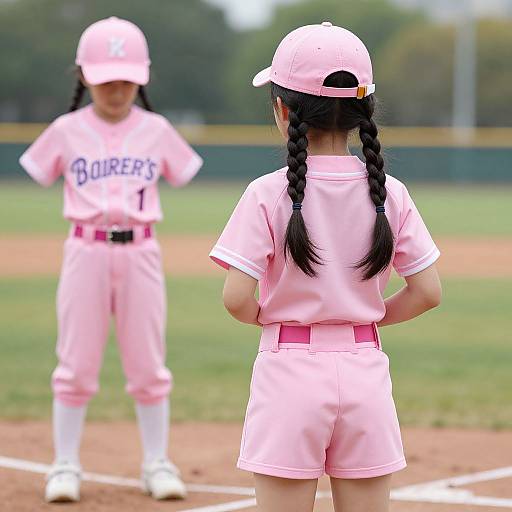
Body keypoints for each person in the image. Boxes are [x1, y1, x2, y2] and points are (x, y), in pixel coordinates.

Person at [209, 22, 442, 512]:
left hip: (288, 370)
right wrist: (370, 318)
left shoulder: (266, 192)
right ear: (363, 111)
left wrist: (264, 317)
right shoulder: (389, 192)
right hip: (364, 371)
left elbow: (235, 298)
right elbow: (427, 291)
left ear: (282, 108)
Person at [19, 16, 203, 503]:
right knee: (75, 364)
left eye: (124, 78)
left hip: (142, 250)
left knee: (148, 365)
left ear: (141, 78)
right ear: (83, 76)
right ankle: (64, 464)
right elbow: (36, 170)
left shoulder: (158, 130)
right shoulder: (65, 130)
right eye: (105, 79)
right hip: (85, 249)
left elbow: (184, 171)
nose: (116, 88)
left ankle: (156, 461)